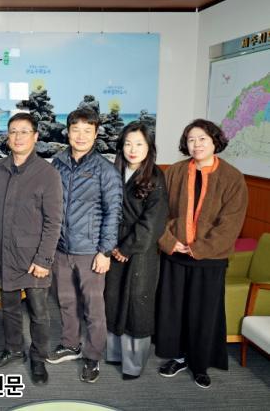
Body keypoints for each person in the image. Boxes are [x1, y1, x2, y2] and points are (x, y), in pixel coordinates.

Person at [155, 119, 248, 389]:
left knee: (203, 313)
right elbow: (159, 212)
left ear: (215, 141)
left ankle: (200, 364)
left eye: (202, 139)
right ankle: (178, 357)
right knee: (174, 310)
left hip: (210, 259)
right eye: (191, 139)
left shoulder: (232, 177)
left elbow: (231, 223)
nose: (196, 144)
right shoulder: (174, 172)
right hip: (175, 254)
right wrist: (169, 241)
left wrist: (198, 248)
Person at [0, 112, 63, 385]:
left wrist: (44, 259)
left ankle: (38, 357)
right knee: (9, 308)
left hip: (34, 258)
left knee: (39, 313)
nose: (18, 137)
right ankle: (14, 349)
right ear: (7, 136)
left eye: (24, 131)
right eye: (13, 131)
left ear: (35, 136)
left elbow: (53, 222)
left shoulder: (47, 174)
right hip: (3, 254)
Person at [47, 107, 123, 383]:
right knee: (66, 301)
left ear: (96, 133)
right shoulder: (56, 163)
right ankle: (70, 344)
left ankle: (92, 356)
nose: (80, 136)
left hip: (91, 251)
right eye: (75, 130)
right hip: (61, 248)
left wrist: (105, 251)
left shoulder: (105, 170)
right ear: (67, 132)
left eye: (87, 131)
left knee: (93, 307)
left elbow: (114, 212)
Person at [104, 121, 168, 380]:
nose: (133, 149)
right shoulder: (114, 172)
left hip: (140, 251)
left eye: (139, 144)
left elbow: (153, 222)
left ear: (149, 147)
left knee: (136, 303)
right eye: (128, 144)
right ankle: (114, 353)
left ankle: (133, 364)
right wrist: (110, 243)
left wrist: (127, 247)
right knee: (113, 298)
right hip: (112, 246)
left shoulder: (156, 177)